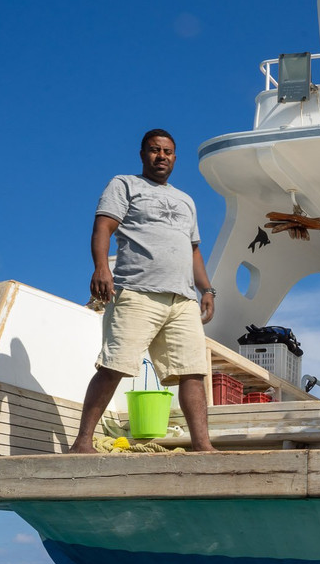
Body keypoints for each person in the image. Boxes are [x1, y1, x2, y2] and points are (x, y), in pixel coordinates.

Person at [69, 129, 217, 453]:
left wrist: (207, 289)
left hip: (183, 299)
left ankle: (203, 447)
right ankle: (82, 442)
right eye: (154, 150)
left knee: (193, 372)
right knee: (115, 366)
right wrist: (100, 267)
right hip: (137, 292)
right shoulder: (124, 185)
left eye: (167, 151)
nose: (161, 156)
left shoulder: (186, 201)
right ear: (142, 154)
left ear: (175, 158)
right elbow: (103, 227)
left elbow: (193, 251)